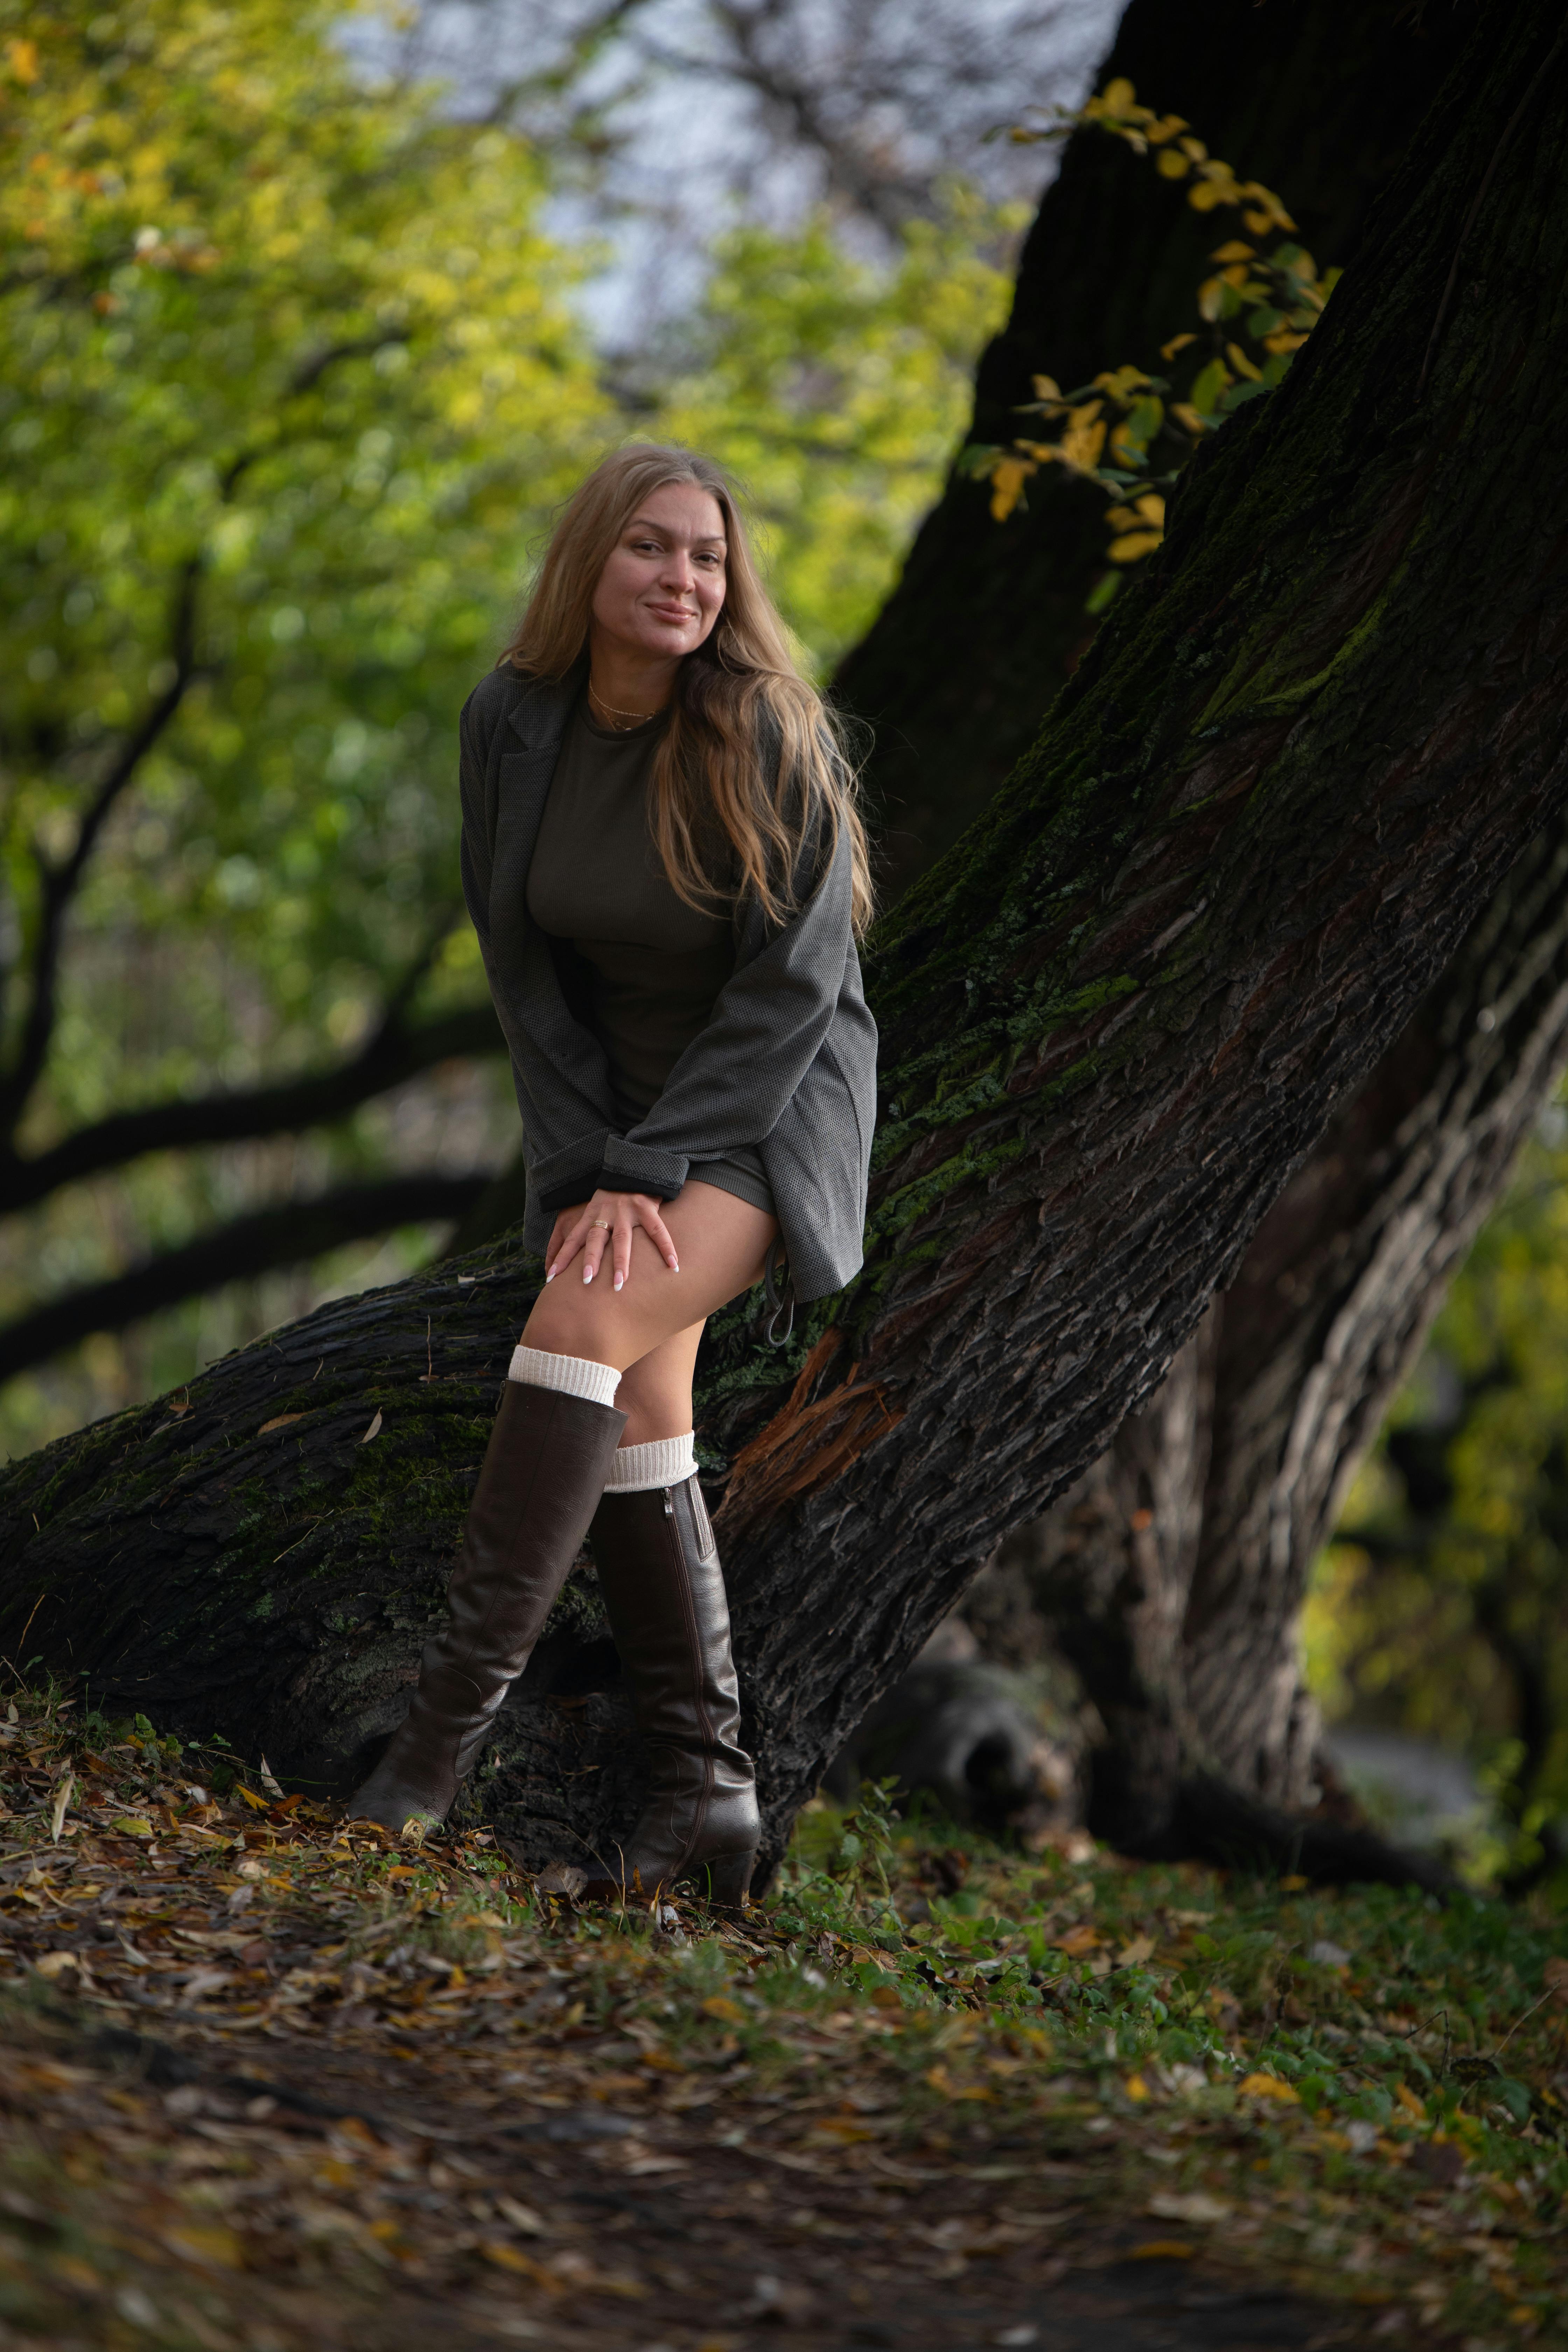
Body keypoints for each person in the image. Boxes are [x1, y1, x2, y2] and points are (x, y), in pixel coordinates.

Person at [346, 444, 877, 1906]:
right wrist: (591, 1162)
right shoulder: (511, 725)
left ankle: (431, 1756)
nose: (683, 580)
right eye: (652, 549)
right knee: (646, 1415)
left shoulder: (765, 727)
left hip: (764, 1116)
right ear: (590, 562)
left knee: (576, 1329)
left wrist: (647, 1167)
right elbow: (524, 979)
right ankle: (708, 1793)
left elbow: (791, 990)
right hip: (618, 1128)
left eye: (707, 558)